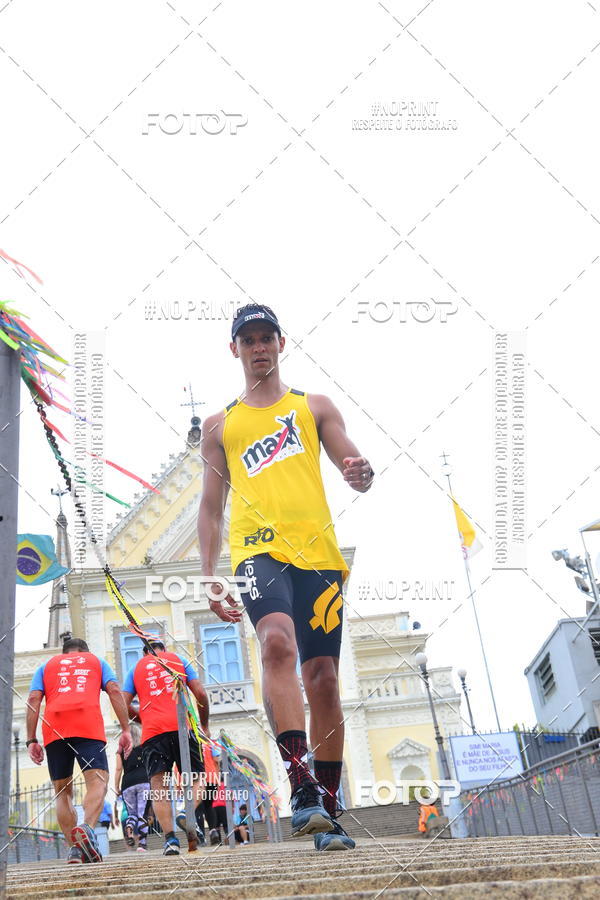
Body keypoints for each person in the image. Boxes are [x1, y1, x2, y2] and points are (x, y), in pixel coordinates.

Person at [198, 304, 374, 852]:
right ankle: (301, 788)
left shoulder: (313, 406)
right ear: (234, 350)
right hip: (256, 551)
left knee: (322, 675)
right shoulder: (219, 426)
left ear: (280, 343)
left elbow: (353, 463)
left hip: (316, 553)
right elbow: (209, 507)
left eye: (265, 338)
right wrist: (208, 576)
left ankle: (328, 805)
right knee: (276, 643)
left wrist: (359, 473)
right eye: (246, 340)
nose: (257, 348)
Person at [25, 637, 132, 864]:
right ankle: (87, 828)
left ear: (65, 653)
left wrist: (31, 739)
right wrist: (125, 729)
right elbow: (114, 690)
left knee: (62, 792)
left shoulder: (46, 667)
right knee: (98, 782)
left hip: (55, 729)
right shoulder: (96, 662)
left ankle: (75, 850)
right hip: (87, 726)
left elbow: (34, 698)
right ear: (85, 651)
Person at [122, 639, 210, 855]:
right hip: (182, 727)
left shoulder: (136, 669)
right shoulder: (178, 659)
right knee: (198, 778)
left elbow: (122, 703)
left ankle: (170, 840)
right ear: (164, 649)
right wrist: (204, 725)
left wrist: (142, 719)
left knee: (158, 786)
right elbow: (200, 694)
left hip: (153, 733)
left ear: (144, 653)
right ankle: (185, 812)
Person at [114, 721, 150, 852]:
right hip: (143, 782)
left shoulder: (121, 751)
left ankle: (129, 828)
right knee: (142, 814)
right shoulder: (144, 747)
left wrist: (117, 787)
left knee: (132, 814)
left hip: (127, 784)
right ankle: (142, 844)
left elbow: (118, 769)